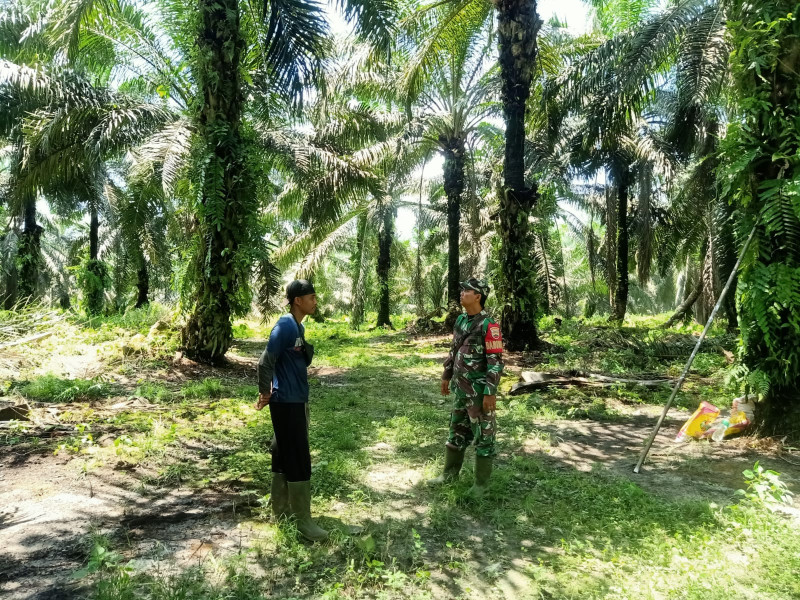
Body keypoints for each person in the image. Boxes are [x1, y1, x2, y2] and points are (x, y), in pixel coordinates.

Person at [255, 279, 327, 542]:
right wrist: (265, 392)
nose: (315, 301)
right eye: (311, 297)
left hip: (295, 399)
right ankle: (303, 522)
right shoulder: (286, 324)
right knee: (298, 456)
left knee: (283, 450)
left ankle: (281, 511)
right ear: (298, 300)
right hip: (286, 401)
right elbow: (265, 361)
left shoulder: (297, 326)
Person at [429, 278, 504, 496]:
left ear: (478, 296)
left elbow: (495, 361)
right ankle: (449, 474)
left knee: (483, 436)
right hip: (461, 390)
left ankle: (481, 486)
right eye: (461, 290)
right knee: (456, 432)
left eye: (467, 291)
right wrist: (446, 374)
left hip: (479, 393)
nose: (462, 293)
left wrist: (490, 392)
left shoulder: (490, 326)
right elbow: (454, 350)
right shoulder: (461, 320)